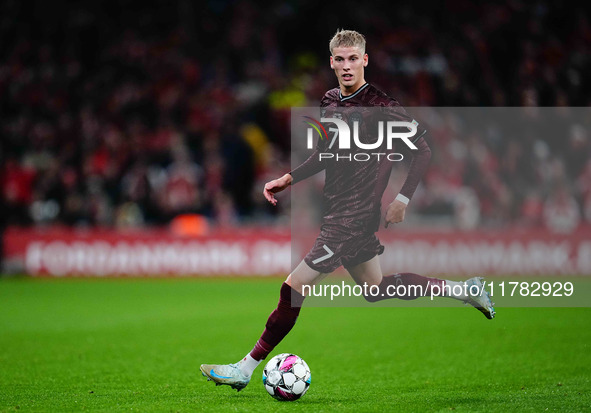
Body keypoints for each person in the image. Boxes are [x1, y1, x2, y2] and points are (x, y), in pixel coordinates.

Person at [200, 29, 495, 391]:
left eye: (353, 58)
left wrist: (402, 199)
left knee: (293, 288)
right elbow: (326, 153)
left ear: (365, 60)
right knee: (375, 288)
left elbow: (423, 150)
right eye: (339, 59)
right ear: (331, 62)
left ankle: (244, 369)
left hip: (351, 219)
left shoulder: (383, 107)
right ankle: (466, 290)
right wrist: (289, 178)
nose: (346, 66)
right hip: (339, 213)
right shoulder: (330, 101)